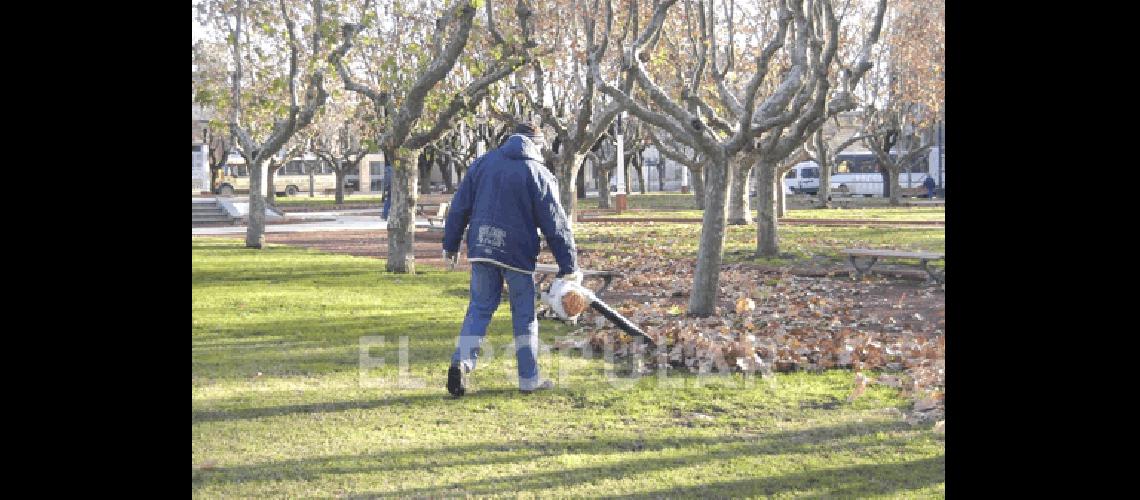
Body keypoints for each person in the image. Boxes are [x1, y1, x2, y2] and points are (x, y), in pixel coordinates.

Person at [442, 119, 580, 396]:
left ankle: (461, 362)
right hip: (517, 253)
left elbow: (459, 207)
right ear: (537, 144)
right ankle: (528, 379)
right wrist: (569, 265)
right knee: (525, 316)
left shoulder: (483, 164)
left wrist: (451, 244)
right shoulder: (538, 172)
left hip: (481, 247)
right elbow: (556, 223)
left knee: (479, 308)